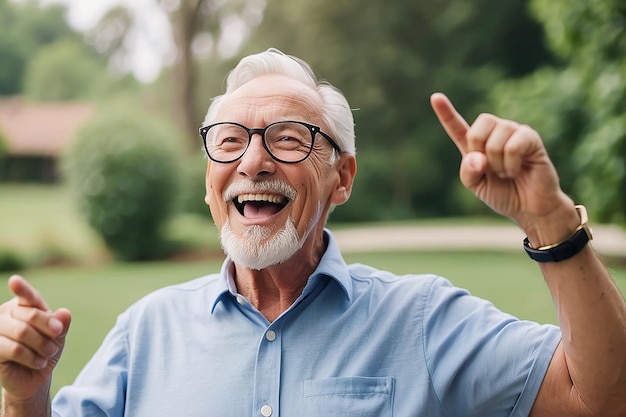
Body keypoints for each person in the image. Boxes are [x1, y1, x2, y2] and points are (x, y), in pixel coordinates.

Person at [1, 48, 625, 417]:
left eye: (288, 138)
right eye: (229, 141)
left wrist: (549, 221)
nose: (253, 161)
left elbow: (602, 400)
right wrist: (24, 399)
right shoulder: (145, 333)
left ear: (342, 177)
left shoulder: (424, 321)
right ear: (210, 180)